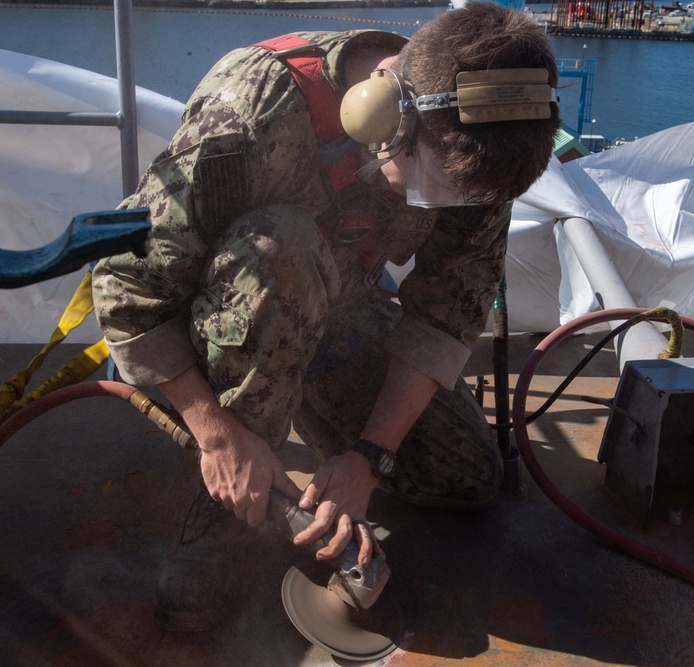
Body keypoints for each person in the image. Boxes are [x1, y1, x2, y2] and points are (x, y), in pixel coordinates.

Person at [92, 0, 560, 632]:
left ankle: (310, 436)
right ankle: (224, 507)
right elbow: (126, 283)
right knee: (279, 247)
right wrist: (216, 435)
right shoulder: (255, 109)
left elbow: (448, 310)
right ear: (383, 115)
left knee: (467, 477)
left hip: (338, 314)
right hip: (228, 319)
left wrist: (369, 457)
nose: (441, 203)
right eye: (432, 183)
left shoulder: (481, 146)